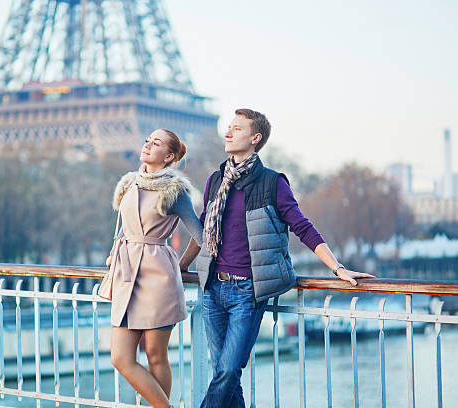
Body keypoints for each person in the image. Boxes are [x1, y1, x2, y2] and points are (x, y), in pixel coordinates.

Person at [179, 108, 375, 407]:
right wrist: (180, 266)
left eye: (237, 129)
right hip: (213, 290)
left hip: (247, 291)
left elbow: (302, 226)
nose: (228, 133)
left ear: (255, 138)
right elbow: (204, 229)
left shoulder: (273, 183)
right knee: (226, 377)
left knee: (228, 370)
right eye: (228, 128)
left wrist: (337, 268)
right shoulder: (215, 180)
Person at [105, 128, 203, 408]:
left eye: (156, 143)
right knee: (121, 357)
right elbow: (124, 227)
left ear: (169, 156)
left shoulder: (175, 190)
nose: (148, 144)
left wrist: (181, 266)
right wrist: (115, 254)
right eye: (148, 140)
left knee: (155, 356)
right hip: (126, 275)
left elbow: (200, 236)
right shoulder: (129, 183)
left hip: (159, 277)